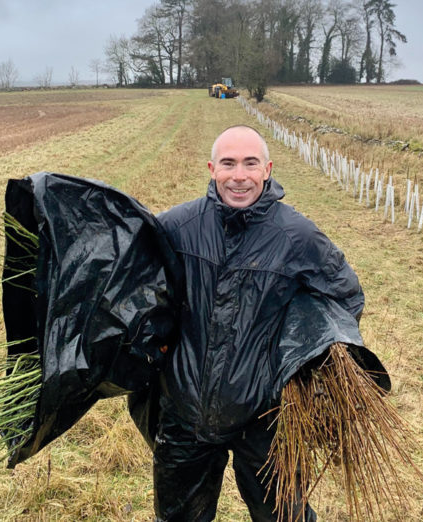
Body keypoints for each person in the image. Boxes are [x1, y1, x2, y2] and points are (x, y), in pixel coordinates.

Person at [153, 125, 364, 521]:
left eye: (250, 164)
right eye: (229, 164)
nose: (239, 176)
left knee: (284, 516)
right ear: (212, 168)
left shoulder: (297, 236)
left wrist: (308, 358)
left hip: (266, 416)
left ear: (267, 169)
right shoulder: (177, 227)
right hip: (186, 412)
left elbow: (346, 295)